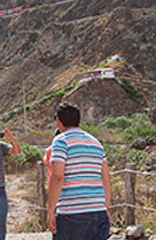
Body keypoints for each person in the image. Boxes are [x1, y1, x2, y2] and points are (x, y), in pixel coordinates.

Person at [47, 102, 111, 240]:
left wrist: (51, 210)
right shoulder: (96, 143)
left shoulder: (61, 141)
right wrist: (105, 207)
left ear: (58, 121)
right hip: (98, 212)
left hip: (72, 215)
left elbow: (57, 176)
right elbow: (105, 178)